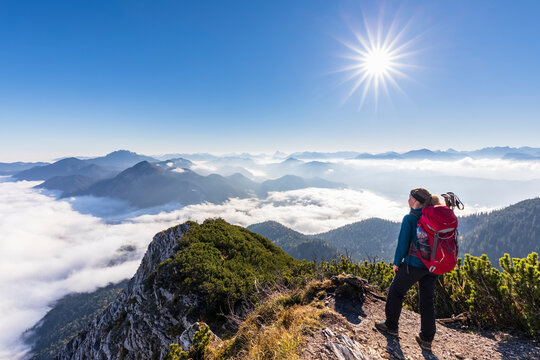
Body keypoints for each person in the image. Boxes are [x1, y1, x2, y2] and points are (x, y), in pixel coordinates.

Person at [375, 188, 438, 352]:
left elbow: (403, 243)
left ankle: (391, 326)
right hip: (432, 266)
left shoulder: (411, 218)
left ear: (415, 200)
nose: (408, 198)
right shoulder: (433, 217)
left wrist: (396, 263)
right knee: (427, 300)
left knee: (396, 291)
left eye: (410, 196)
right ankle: (426, 339)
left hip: (414, 264)